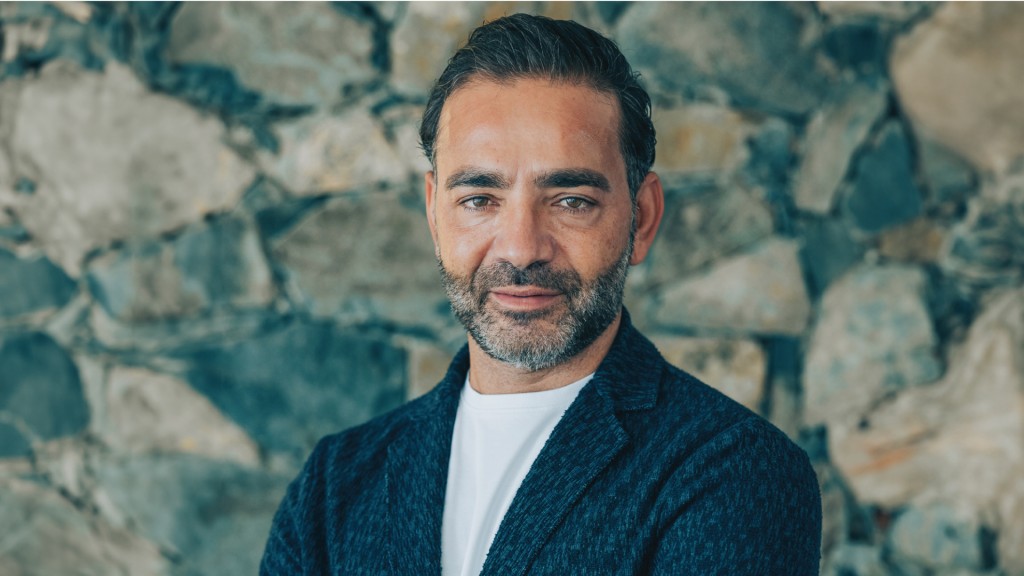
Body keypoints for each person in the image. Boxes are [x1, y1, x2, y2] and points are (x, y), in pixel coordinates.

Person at [261, 14, 821, 576]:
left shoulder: (736, 471)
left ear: (642, 218)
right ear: (435, 212)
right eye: (480, 198)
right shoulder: (334, 484)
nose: (522, 249)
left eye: (571, 200)